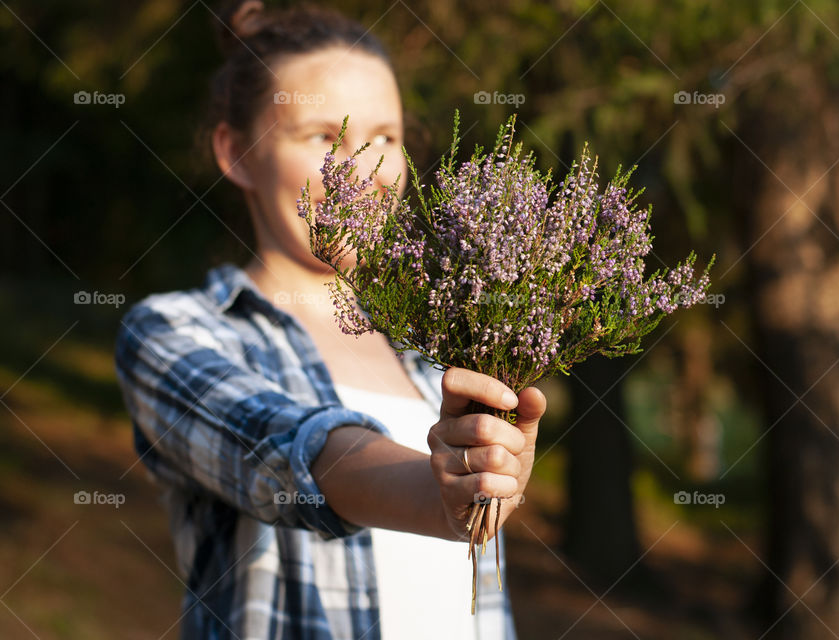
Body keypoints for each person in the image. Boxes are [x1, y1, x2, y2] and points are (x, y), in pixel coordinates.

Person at [113, 2, 546, 638]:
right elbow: (289, 450)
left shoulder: (440, 348)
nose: (361, 171)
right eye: (323, 137)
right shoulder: (175, 334)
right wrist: (440, 496)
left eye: (384, 137)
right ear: (237, 152)